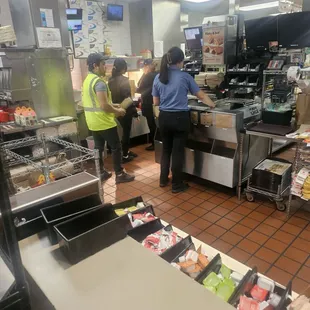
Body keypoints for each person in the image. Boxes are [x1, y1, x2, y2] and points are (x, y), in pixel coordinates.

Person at [152, 47, 215, 193]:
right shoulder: (185, 77)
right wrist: (212, 104)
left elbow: (155, 102)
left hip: (164, 118)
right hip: (180, 119)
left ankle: (163, 180)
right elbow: (200, 95)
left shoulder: (158, 77)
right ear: (180, 62)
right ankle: (177, 184)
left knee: (166, 150)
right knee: (177, 152)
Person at [82, 53, 135, 184]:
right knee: (116, 147)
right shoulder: (99, 82)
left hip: (93, 122)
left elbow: (99, 102)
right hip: (104, 121)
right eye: (103, 64)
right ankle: (119, 173)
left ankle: (101, 172)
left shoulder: (88, 80)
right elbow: (104, 105)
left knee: (98, 148)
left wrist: (114, 105)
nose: (105, 67)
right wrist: (119, 110)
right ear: (95, 65)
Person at [108, 58, 138, 163]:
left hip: (114, 110)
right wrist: (134, 110)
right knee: (126, 133)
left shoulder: (110, 80)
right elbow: (127, 98)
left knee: (120, 133)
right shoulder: (124, 80)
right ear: (124, 68)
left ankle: (124, 152)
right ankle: (125, 155)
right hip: (125, 110)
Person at [136, 59, 158, 151]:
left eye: (145, 66)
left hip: (149, 103)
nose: (144, 68)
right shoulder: (158, 74)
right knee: (155, 124)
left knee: (151, 124)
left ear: (148, 66)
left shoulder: (148, 76)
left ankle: (154, 143)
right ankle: (157, 142)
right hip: (156, 103)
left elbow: (139, 88)